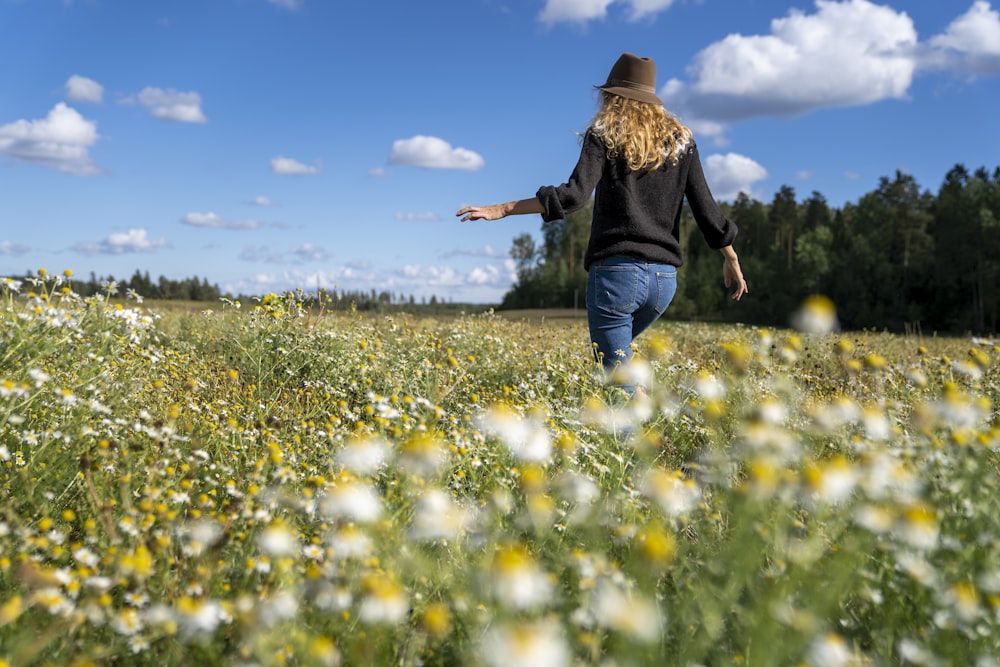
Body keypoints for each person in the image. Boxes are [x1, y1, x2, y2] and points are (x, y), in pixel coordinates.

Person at [457, 53, 748, 395]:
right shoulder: (682, 143)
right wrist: (731, 257)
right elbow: (706, 209)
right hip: (663, 283)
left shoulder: (605, 133)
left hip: (616, 277)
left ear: (613, 94)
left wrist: (503, 209)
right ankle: (646, 410)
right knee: (619, 369)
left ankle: (641, 436)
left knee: (615, 380)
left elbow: (575, 196)